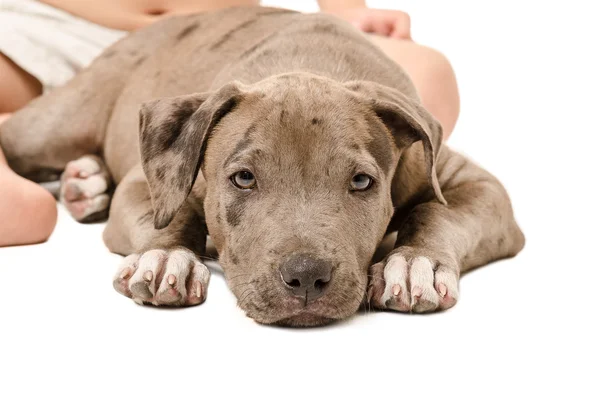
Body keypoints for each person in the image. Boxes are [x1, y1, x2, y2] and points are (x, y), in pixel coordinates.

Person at [0, 0, 459, 247]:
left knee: (428, 73)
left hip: (231, 42)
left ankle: (98, 160)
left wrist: (346, 12)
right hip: (52, 27)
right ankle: (18, 179)